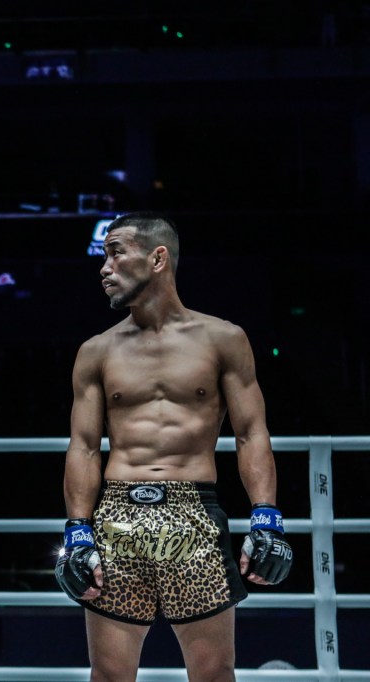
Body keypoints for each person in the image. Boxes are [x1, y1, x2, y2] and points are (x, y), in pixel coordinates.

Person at [55, 212, 294, 681]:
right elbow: (83, 447)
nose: (104, 267)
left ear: (158, 257)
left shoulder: (223, 339)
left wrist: (267, 516)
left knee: (213, 674)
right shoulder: (96, 351)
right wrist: (76, 531)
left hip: (194, 514)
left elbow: (251, 433)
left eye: (116, 252)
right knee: (108, 675)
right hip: (118, 515)